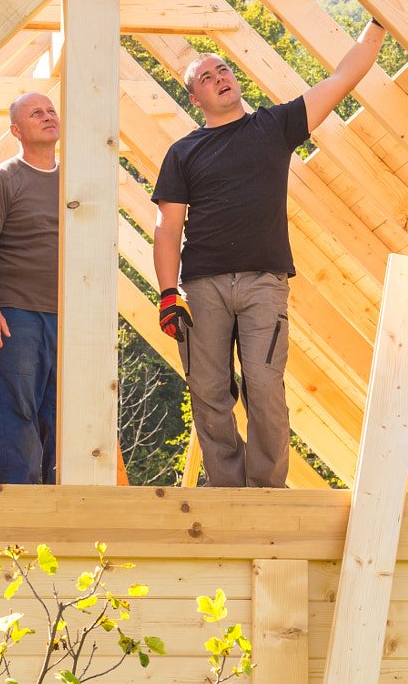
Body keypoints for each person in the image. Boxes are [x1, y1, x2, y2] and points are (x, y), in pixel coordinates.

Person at [152, 24, 386, 488]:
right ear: (195, 99)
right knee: (209, 392)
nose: (220, 77)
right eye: (206, 76)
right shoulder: (183, 152)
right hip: (202, 289)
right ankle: (228, 492)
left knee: (263, 386)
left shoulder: (274, 127)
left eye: (224, 69)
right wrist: (166, 294)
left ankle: (265, 494)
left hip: (264, 284)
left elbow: (340, 79)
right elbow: (168, 228)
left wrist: (378, 27)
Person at [0, 90, 61, 486]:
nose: (47, 116)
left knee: (63, 420)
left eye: (51, 110)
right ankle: (15, 522)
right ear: (16, 130)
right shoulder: (1, 180)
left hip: (69, 318)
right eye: (36, 113)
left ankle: (63, 518)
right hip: (14, 317)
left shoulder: (78, 181)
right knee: (16, 419)